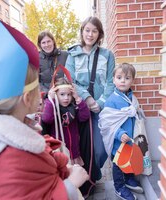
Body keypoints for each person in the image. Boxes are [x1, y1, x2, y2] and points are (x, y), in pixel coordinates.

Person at [0, 15, 88, 200]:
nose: (42, 92)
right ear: (27, 98)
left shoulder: (0, 134)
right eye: (38, 86)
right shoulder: (16, 155)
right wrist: (72, 185)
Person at [65, 16, 115, 180]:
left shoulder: (107, 55)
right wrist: (87, 98)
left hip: (100, 109)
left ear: (99, 34)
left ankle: (94, 173)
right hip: (79, 108)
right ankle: (86, 180)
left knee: (100, 150)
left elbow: (110, 81)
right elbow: (70, 80)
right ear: (82, 32)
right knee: (79, 147)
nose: (90, 34)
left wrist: (100, 102)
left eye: (94, 31)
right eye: (87, 30)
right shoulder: (72, 54)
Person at [99, 63, 144, 200]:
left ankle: (129, 180)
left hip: (130, 139)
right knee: (118, 164)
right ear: (113, 80)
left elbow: (136, 114)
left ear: (132, 81)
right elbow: (107, 122)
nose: (123, 81)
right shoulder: (111, 100)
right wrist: (119, 134)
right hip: (118, 141)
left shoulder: (132, 98)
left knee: (129, 160)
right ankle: (119, 187)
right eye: (119, 77)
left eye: (127, 78)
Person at [42, 77, 90, 165]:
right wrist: (50, 100)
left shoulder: (74, 108)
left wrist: (78, 98)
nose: (66, 98)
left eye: (69, 94)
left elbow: (85, 116)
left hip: (74, 152)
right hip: (59, 152)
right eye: (62, 94)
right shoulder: (53, 108)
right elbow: (47, 119)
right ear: (56, 94)